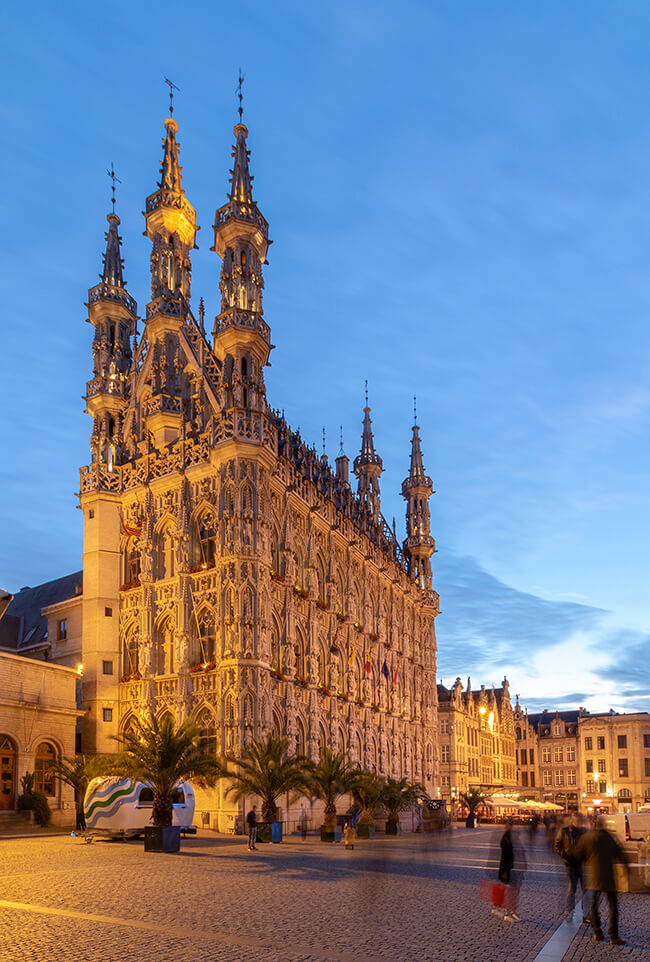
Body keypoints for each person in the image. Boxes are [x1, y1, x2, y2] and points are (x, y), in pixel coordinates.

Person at [577, 816, 628, 945]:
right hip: (609, 876)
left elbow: (578, 855)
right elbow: (619, 853)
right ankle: (614, 936)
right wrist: (626, 867)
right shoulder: (609, 837)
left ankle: (597, 931)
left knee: (594, 905)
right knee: (613, 907)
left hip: (594, 877)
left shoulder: (587, 837)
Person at [554, 812, 588, 920]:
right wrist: (565, 856)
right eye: (578, 821)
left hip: (583, 865)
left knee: (586, 890)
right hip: (570, 865)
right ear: (573, 821)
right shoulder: (564, 831)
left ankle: (586, 914)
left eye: (581, 821)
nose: (580, 823)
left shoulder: (585, 831)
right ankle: (569, 912)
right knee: (571, 890)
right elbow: (557, 844)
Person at [493, 819, 524, 922]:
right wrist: (505, 871)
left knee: (514, 891)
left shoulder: (513, 838)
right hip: (508, 869)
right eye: (515, 826)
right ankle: (508, 912)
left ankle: (512, 911)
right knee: (510, 891)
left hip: (514, 869)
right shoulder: (507, 839)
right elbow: (506, 856)